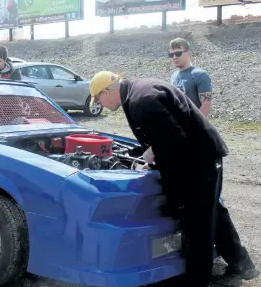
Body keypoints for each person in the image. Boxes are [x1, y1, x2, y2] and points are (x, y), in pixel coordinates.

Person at [89, 71, 259, 286]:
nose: (101, 105)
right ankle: (243, 266)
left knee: (197, 223)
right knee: (214, 213)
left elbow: (175, 145)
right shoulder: (140, 89)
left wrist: (163, 173)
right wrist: (152, 149)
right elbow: (171, 132)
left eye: (99, 99)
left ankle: (196, 280)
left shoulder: (142, 100)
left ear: (106, 92)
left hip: (199, 160)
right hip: (201, 154)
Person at [169, 38, 212, 117]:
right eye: (171, 55)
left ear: (188, 53)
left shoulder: (200, 75)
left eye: (178, 53)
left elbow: (206, 106)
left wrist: (194, 126)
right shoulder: (173, 76)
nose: (174, 57)